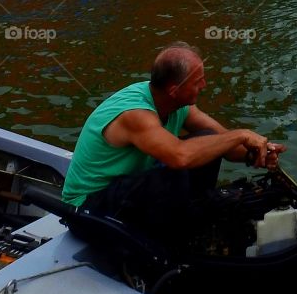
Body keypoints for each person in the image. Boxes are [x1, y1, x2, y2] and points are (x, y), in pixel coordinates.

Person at [61, 43, 285, 239]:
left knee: (208, 141)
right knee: (176, 170)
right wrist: (241, 134)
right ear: (174, 90)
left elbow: (222, 142)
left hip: (124, 190)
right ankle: (173, 240)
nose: (204, 85)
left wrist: (256, 153)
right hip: (86, 210)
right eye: (198, 81)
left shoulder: (177, 105)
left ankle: (189, 225)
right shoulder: (136, 114)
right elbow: (180, 157)